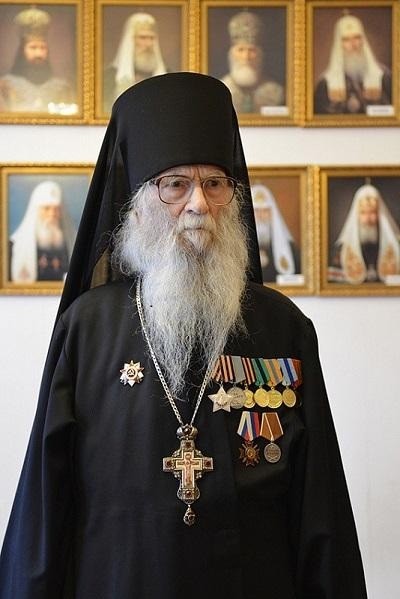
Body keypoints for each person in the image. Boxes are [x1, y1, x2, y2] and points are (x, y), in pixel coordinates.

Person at [0, 73, 367, 598]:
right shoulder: (87, 328)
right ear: (139, 202)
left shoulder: (283, 327)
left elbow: (320, 506)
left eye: (215, 184)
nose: (198, 204)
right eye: (175, 184)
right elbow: (45, 501)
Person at [0, 6, 76, 114]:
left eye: (42, 48)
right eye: (33, 47)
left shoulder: (62, 88)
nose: (38, 54)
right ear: (22, 51)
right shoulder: (5, 86)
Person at [314, 13, 392, 114]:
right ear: (339, 45)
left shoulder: (383, 76)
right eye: (346, 40)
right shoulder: (325, 83)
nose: (353, 44)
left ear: (363, 41)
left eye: (357, 37)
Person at [329, 183, 400, 284]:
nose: (368, 218)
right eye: (363, 213)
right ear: (356, 215)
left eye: (373, 212)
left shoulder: (396, 244)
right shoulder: (341, 249)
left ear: (379, 214)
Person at [9, 180, 77, 282]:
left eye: (56, 209)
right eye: (46, 208)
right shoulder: (13, 246)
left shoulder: (74, 242)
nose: (52, 214)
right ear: (36, 211)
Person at [221, 10, 285, 114]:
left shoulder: (275, 91)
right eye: (241, 50)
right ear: (231, 54)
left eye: (251, 50)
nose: (246, 57)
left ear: (260, 55)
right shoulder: (221, 88)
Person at [103, 12, 167, 113]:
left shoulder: (167, 75)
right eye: (142, 37)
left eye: (152, 38)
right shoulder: (109, 76)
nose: (149, 44)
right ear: (130, 40)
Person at [251, 182, 300, 282]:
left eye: (265, 210)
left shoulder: (289, 248)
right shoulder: (237, 245)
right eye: (256, 210)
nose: (260, 215)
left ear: (273, 213)